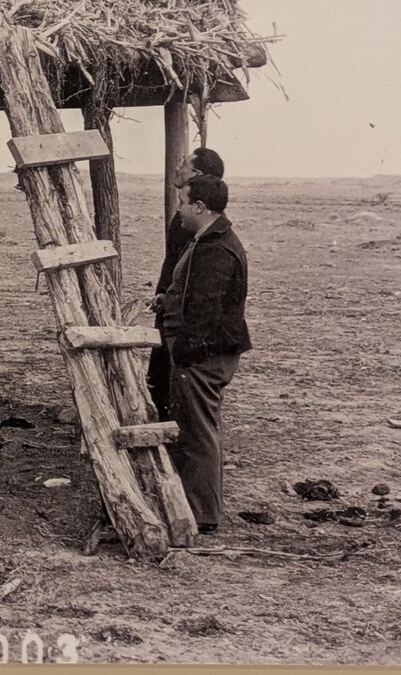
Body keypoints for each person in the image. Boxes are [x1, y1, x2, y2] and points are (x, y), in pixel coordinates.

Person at [161, 174, 251, 533]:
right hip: (203, 353)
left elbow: (205, 313)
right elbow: (193, 297)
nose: (179, 209)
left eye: (183, 202)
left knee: (197, 434)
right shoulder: (208, 240)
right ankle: (196, 507)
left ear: (200, 207)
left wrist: (184, 350)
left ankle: (201, 515)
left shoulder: (216, 249)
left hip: (203, 356)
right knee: (198, 429)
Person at [147, 146, 225, 419]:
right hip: (171, 306)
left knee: (171, 380)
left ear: (198, 175)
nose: (177, 168)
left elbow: (184, 272)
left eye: (184, 164)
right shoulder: (193, 219)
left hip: (182, 318)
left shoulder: (197, 225)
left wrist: (168, 299)